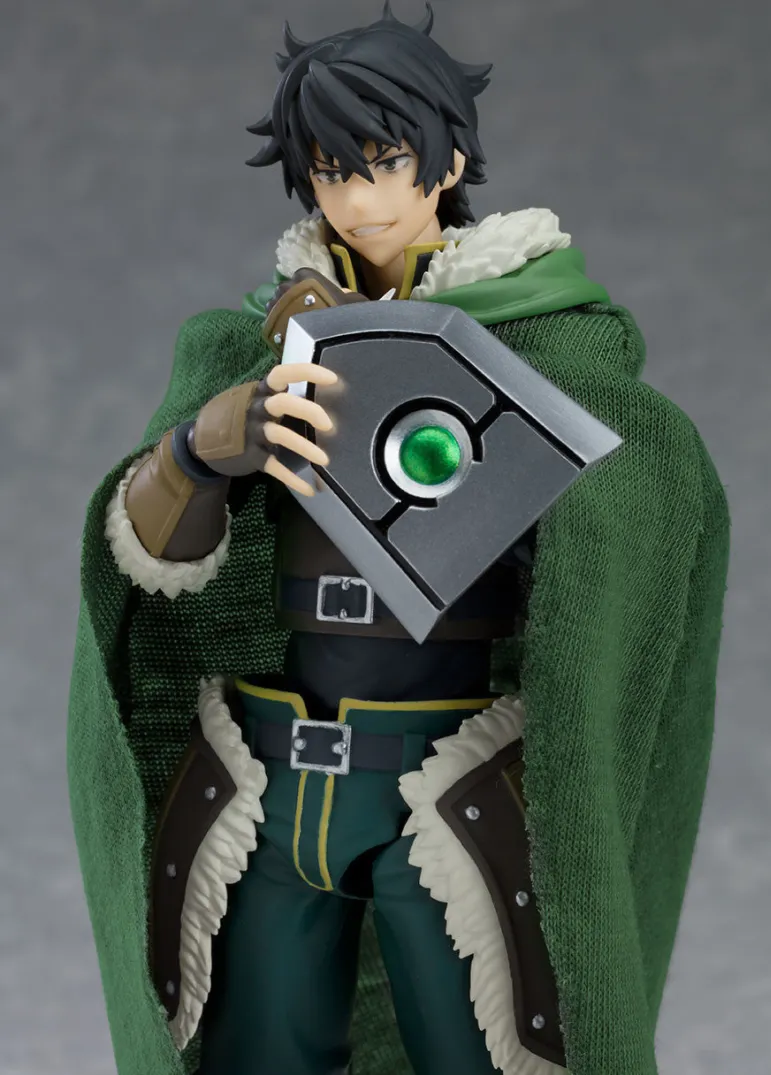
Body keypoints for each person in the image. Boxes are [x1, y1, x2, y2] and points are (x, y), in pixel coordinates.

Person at [67, 5, 731, 1075]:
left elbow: (641, 505)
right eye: (332, 170)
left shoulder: (544, 341)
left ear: (446, 161)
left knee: (482, 1051)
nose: (359, 196)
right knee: (247, 1053)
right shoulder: (253, 343)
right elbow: (151, 564)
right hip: (272, 774)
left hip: (446, 779)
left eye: (384, 162)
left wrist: (532, 506)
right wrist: (200, 450)